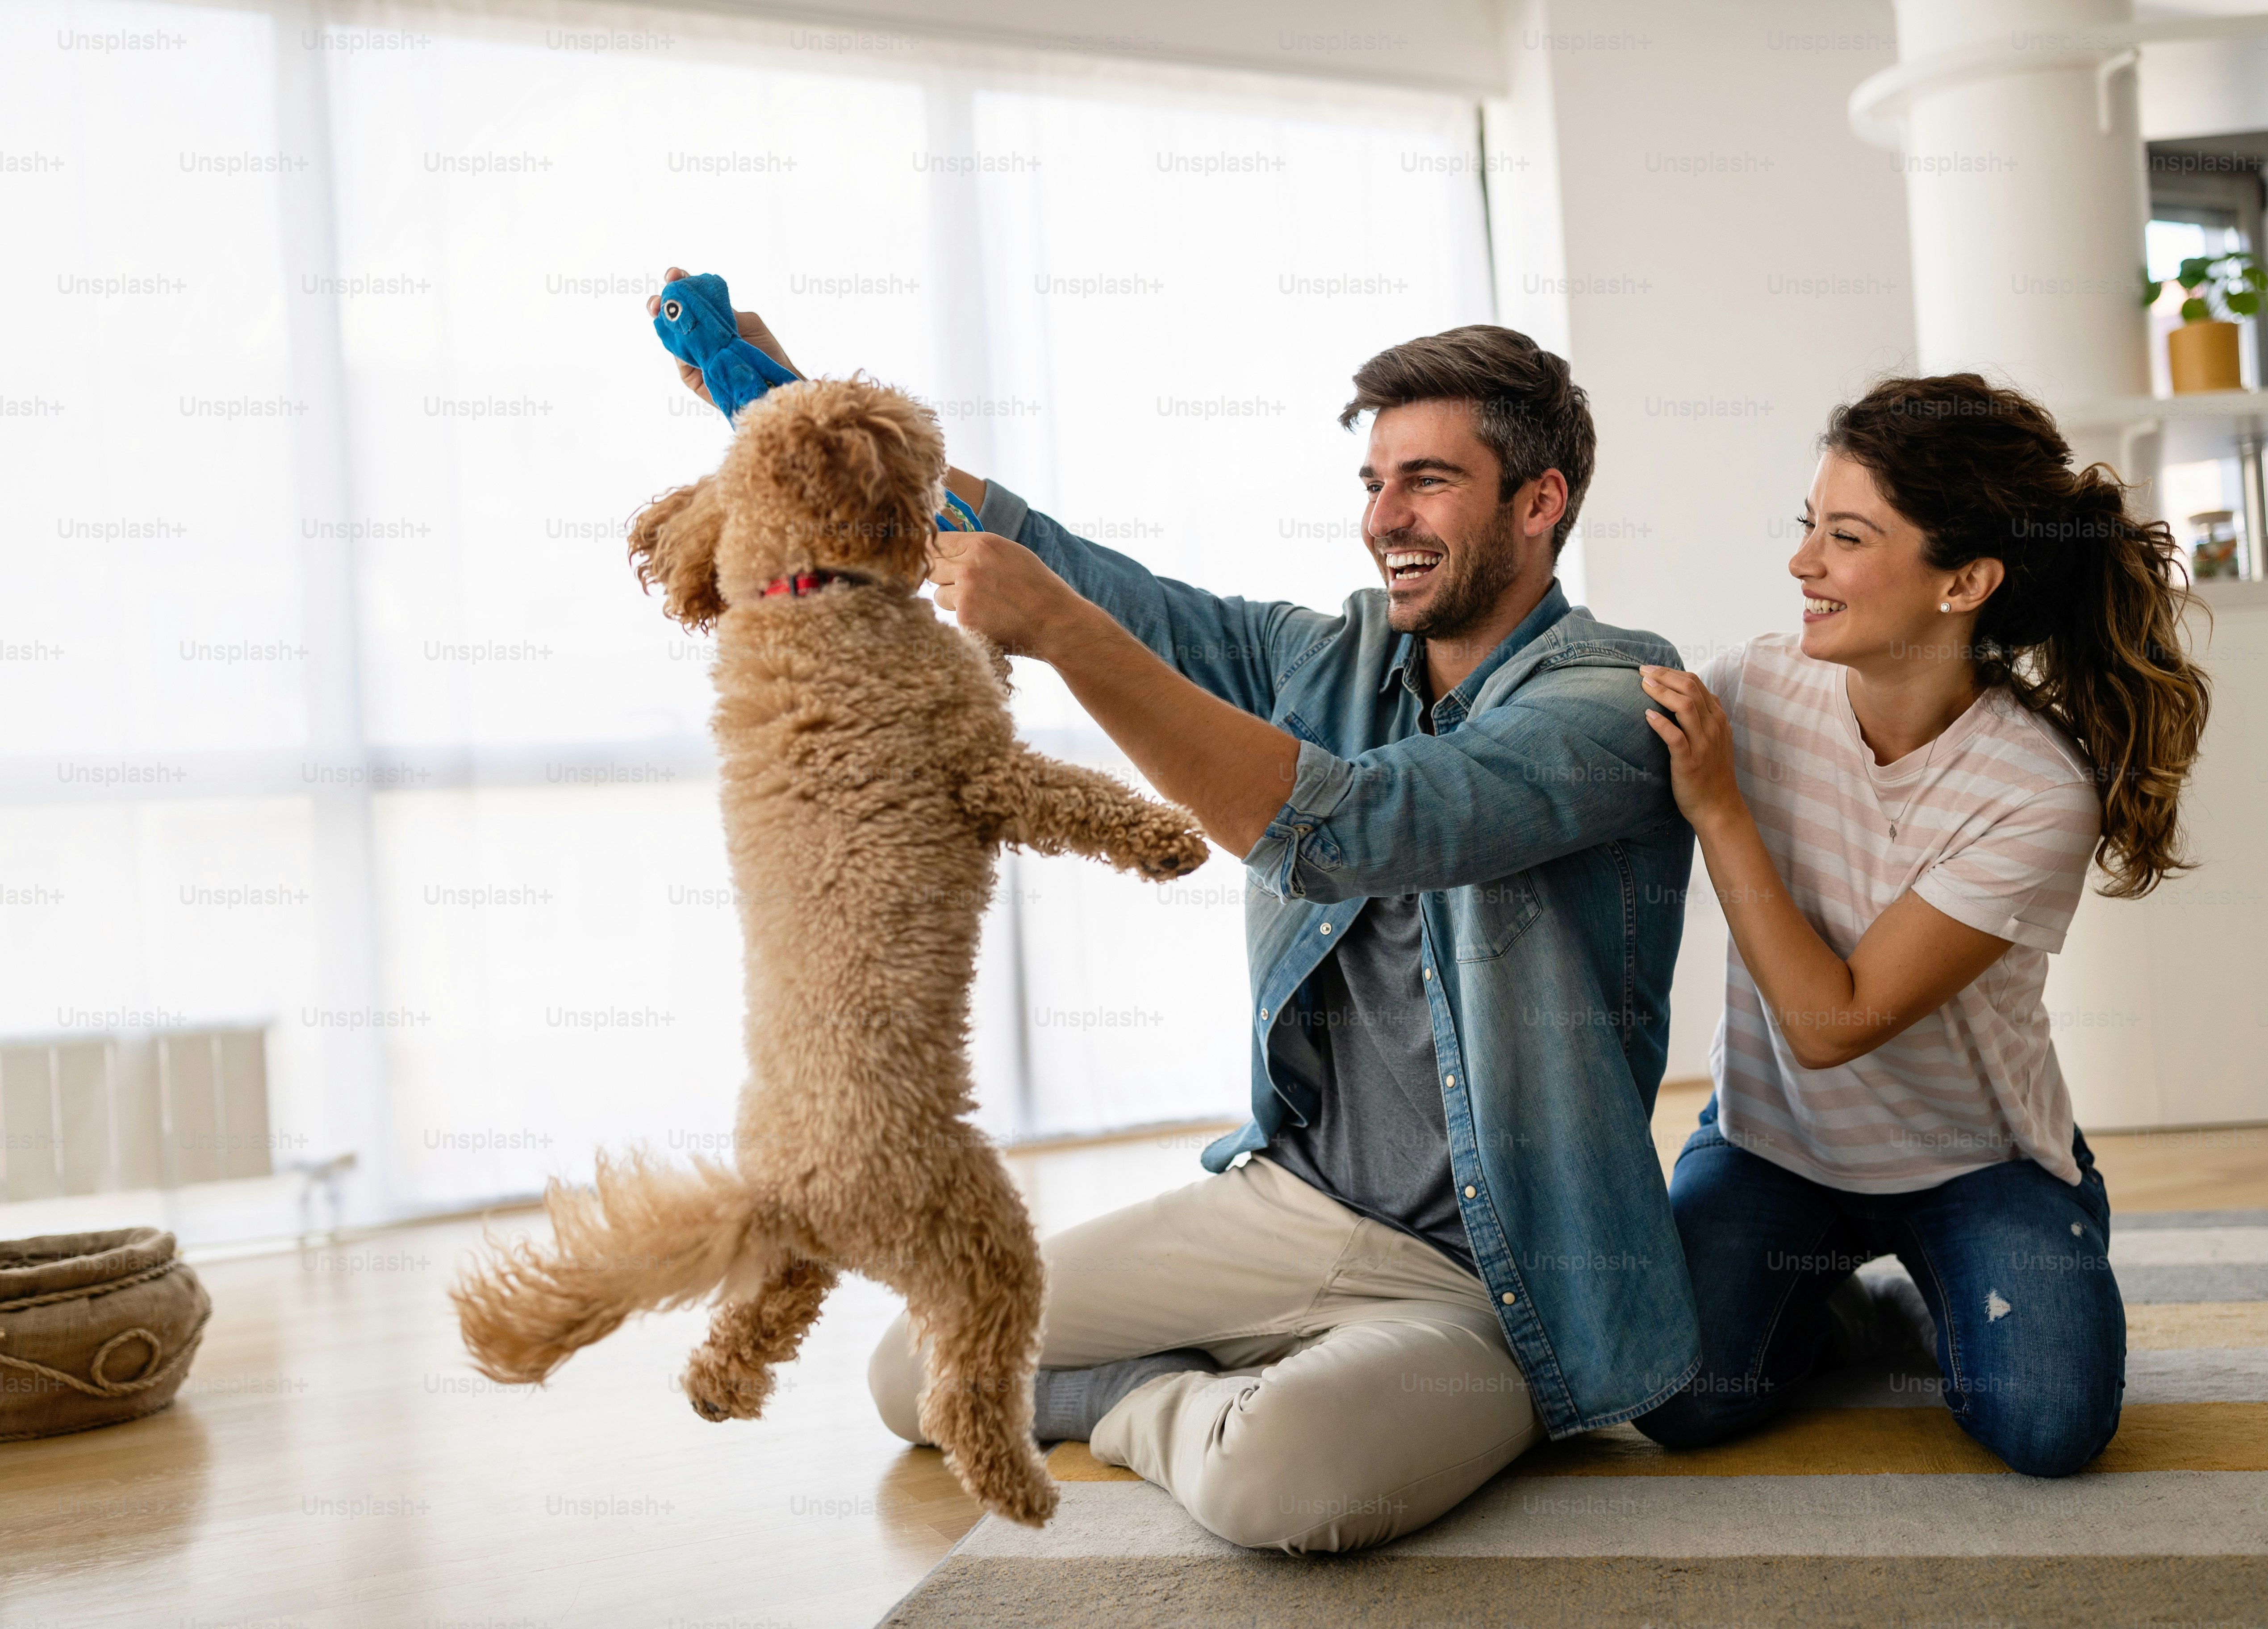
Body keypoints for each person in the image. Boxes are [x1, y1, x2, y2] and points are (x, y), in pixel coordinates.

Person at [652, 274, 1701, 1551]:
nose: (1387, 517)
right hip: (1292, 1207)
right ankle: (1212, 1393)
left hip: (1493, 1273)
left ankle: (1194, 1410)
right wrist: (784, 398)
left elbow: (1344, 829)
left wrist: (1070, 638)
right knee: (912, 1372)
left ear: (1540, 504)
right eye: (1373, 482)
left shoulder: (1612, 703)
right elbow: (1062, 566)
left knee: (1285, 1486)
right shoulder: (1329, 657)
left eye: (1428, 480)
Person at [1628, 374, 2212, 1476]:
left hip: (1972, 1161)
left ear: (1967, 583)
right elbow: (1582, 736)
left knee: (2050, 1428)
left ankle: (1962, 1278)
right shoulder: (1755, 687)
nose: (1803, 562)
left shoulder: (2034, 791)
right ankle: (1849, 1317)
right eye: (1810, 526)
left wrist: (1719, 810)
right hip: (1774, 1144)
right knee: (1675, 1400)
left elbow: (1830, 1022)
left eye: (1846, 537)